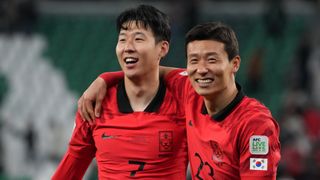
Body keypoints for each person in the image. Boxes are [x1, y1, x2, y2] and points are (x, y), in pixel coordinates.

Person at [79, 22, 281, 179]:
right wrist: (105, 78)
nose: (201, 69)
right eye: (194, 60)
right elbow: (146, 72)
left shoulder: (255, 126)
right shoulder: (190, 90)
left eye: (212, 59)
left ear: (234, 64)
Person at [52, 5, 188, 179]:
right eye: (122, 39)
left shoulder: (183, 100)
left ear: (162, 48)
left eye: (138, 39)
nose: (128, 47)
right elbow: (70, 170)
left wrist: (106, 77)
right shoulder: (95, 105)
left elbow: (198, 76)